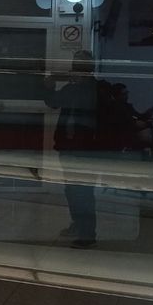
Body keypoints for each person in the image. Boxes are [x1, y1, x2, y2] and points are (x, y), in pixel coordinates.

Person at [44, 50, 109, 248]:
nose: (76, 69)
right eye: (76, 65)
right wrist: (49, 87)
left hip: (87, 150)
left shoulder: (96, 89)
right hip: (68, 147)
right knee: (71, 189)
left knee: (83, 191)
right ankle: (78, 224)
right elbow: (54, 102)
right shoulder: (72, 88)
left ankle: (87, 234)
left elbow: (87, 108)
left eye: (81, 66)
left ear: (90, 69)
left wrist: (77, 84)